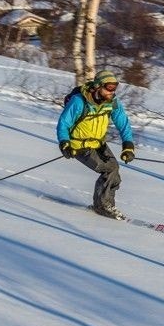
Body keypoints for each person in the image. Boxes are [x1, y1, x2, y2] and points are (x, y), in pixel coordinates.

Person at [56, 69, 136, 219]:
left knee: (115, 174)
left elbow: (123, 123)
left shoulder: (112, 103)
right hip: (79, 145)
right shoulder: (79, 101)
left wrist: (128, 145)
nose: (112, 92)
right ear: (98, 86)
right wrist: (65, 143)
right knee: (109, 169)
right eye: (109, 87)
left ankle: (104, 205)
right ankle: (103, 206)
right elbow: (63, 123)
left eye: (115, 87)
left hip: (98, 144)